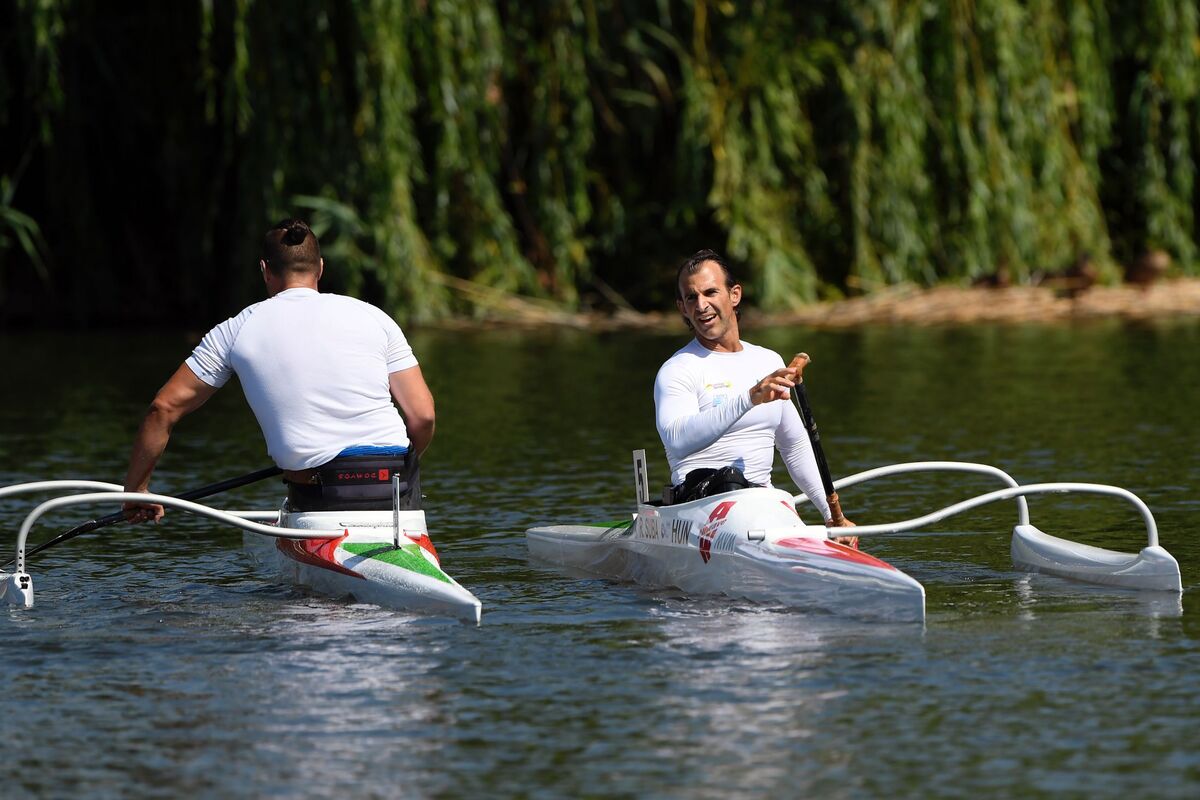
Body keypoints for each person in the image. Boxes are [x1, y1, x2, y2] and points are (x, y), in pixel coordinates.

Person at [122, 219, 435, 522]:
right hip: (397, 485)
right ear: (321, 267)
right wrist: (390, 470)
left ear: (264, 270)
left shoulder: (235, 330)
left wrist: (136, 491)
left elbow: (163, 408)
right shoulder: (375, 317)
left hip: (321, 495)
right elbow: (423, 417)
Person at [653, 249, 855, 534]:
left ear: (734, 295)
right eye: (691, 298)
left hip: (762, 503)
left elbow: (795, 446)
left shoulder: (768, 361)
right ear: (682, 308)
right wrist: (748, 399)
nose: (701, 305)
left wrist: (830, 514)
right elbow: (677, 440)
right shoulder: (678, 369)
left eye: (710, 292)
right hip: (700, 508)